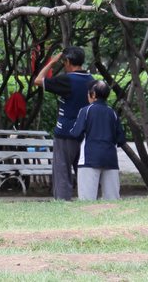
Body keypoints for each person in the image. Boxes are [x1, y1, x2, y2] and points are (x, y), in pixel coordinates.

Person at [32, 45, 94, 200]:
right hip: (86, 133)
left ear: (67, 61)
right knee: (83, 171)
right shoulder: (91, 80)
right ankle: (87, 201)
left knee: (62, 172)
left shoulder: (67, 80)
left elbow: (38, 80)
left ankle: (63, 202)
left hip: (65, 133)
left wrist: (51, 63)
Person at [70, 80, 126, 200]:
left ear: (93, 94)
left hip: (89, 159)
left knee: (87, 201)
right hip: (110, 159)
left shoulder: (85, 111)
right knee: (113, 201)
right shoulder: (113, 113)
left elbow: (76, 133)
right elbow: (121, 139)